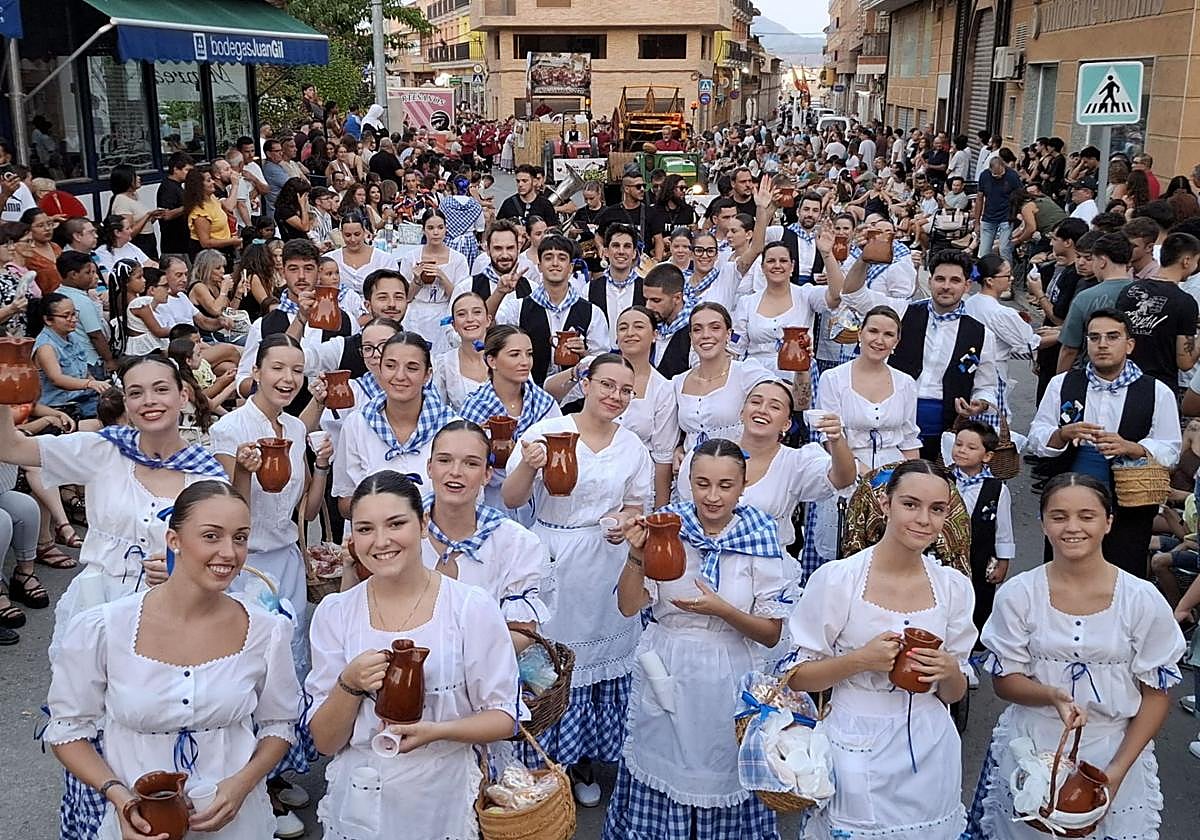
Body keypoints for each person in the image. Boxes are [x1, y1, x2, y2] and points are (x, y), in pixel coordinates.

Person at [44, 481, 301, 840]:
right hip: (140, 824)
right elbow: (69, 728)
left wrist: (243, 784)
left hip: (237, 822)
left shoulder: (266, 629)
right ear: (173, 540)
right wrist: (119, 798)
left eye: (240, 538)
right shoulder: (104, 628)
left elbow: (279, 724)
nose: (229, 552)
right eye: (211, 536)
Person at [966, 473, 1185, 839]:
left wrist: (1114, 775)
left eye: (1087, 516)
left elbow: (1156, 696)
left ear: (1108, 521)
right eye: (1059, 516)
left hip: (1114, 750)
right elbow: (1005, 681)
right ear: (1043, 523)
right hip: (1030, 750)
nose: (1072, 527)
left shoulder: (1141, 599)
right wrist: (1049, 695)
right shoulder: (1019, 594)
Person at [307, 469, 519, 836]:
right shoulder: (336, 612)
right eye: (365, 529)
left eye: (396, 524)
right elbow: (325, 742)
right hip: (360, 794)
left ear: (422, 524)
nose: (381, 541)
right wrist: (349, 684)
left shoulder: (468, 607)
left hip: (444, 794)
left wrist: (438, 731)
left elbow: (505, 717)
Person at [603, 438, 792, 838]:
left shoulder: (759, 534)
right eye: (702, 483)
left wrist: (723, 610)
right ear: (688, 482)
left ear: (743, 486)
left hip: (730, 671)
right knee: (663, 762)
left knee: (722, 766)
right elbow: (628, 606)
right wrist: (636, 555)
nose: (712, 496)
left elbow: (771, 634)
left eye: (725, 485)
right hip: (668, 660)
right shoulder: (666, 526)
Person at [787, 459, 976, 839]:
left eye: (937, 509)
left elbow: (953, 695)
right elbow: (797, 677)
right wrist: (860, 661)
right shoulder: (839, 580)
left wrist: (949, 671)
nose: (923, 519)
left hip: (929, 746)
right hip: (854, 740)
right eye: (910, 504)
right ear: (885, 504)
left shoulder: (953, 587)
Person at [501, 353, 652, 805]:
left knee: (601, 659)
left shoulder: (633, 446)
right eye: (607, 384)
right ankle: (545, 762)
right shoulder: (547, 431)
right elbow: (511, 498)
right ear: (585, 383)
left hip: (605, 560)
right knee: (552, 659)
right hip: (551, 551)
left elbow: (636, 504)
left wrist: (624, 521)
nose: (615, 396)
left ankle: (586, 760)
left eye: (625, 390)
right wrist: (529, 465)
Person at [1028, 308, 1181, 576]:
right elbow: (1036, 436)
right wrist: (1062, 434)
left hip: (1129, 506)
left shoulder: (1157, 392)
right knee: (1064, 571)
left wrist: (1133, 448)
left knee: (1123, 572)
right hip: (1069, 498)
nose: (1102, 344)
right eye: (1094, 337)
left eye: (1112, 337)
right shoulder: (1062, 383)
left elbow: (1171, 449)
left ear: (1129, 345)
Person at [212, 334, 322, 670]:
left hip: (288, 561)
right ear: (257, 372)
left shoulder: (295, 429)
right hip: (245, 566)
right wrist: (244, 472)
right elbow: (230, 517)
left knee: (291, 654)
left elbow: (307, 509)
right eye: (278, 368)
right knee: (248, 658)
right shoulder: (229, 429)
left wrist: (322, 467)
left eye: (297, 371)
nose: (288, 378)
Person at [840, 247, 998, 459]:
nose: (946, 286)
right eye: (940, 279)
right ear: (930, 281)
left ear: (967, 285)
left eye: (955, 280)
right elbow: (852, 295)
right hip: (891, 422)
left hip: (945, 429)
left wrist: (980, 403)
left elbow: (986, 385)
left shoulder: (981, 334)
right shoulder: (902, 312)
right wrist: (864, 258)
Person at [677, 380, 855, 567]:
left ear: (786, 424)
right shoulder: (707, 454)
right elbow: (686, 512)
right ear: (741, 413)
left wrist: (836, 440)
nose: (762, 410)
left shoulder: (796, 462)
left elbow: (843, 479)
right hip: (703, 562)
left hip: (768, 568)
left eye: (774, 407)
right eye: (755, 402)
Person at [422, 421, 549, 643]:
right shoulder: (402, 530)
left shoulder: (516, 543)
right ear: (429, 468)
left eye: (471, 464)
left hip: (485, 663)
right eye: (444, 460)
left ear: (487, 475)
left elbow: (522, 635)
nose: (455, 472)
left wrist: (457, 657)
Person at [332, 331, 454, 513]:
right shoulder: (357, 424)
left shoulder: (451, 427)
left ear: (427, 375)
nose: (400, 376)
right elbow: (345, 500)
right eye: (390, 366)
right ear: (380, 370)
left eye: (412, 368)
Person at [460, 324, 561, 521]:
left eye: (529, 354)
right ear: (492, 361)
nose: (525, 362)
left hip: (537, 502)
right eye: (515, 355)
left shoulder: (544, 403)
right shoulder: (475, 406)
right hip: (489, 504)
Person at [491, 233, 610, 385]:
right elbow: (489, 328)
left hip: (577, 395)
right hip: (529, 392)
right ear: (539, 266)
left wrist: (584, 354)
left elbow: (602, 364)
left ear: (570, 267)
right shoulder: (518, 308)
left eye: (562, 258)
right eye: (548, 258)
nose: (555, 263)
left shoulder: (592, 312)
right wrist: (499, 292)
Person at [941, 420, 1013, 655]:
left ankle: (970, 651)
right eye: (959, 444)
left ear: (987, 456)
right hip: (943, 555)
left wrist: (1003, 561)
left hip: (979, 557)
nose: (962, 450)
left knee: (977, 600)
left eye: (971, 447)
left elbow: (1003, 529)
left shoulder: (997, 489)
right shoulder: (942, 481)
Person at [733, 240, 839, 380]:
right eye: (771, 261)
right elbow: (736, 348)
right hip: (757, 375)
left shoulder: (806, 294)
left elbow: (836, 296)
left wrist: (827, 254)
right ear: (762, 267)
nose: (777, 265)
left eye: (783, 261)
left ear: (792, 266)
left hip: (798, 375)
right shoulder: (747, 302)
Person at [673, 302, 772, 452]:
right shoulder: (678, 382)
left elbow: (794, 400)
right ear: (691, 337)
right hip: (690, 463)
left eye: (715, 328)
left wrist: (801, 371)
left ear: (728, 334)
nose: (706, 335)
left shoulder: (746, 372)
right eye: (698, 329)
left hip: (738, 462)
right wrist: (679, 448)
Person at [1115, 230, 1200, 388]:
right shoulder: (1185, 302)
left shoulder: (1128, 291)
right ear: (1186, 261)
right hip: (1160, 387)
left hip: (1124, 380)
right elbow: (1185, 362)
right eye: (1197, 261)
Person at [967, 254, 1042, 429]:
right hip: (993, 372)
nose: (1011, 279)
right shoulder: (1000, 312)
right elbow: (1029, 344)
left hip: (972, 367)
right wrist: (1062, 335)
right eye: (1007, 275)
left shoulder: (971, 302)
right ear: (990, 281)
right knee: (994, 423)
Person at [1026, 218, 1088, 401]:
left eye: (1054, 238)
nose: (1051, 243)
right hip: (1048, 352)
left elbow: (1059, 319)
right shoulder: (1060, 268)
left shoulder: (1076, 277)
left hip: (1059, 354)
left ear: (1068, 242)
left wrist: (1039, 294)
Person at [1055, 232, 1134, 373]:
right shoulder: (1143, 294)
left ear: (1102, 261)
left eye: (1092, 259)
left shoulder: (1085, 297)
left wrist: (1060, 380)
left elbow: (1069, 349)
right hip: (1134, 373)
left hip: (1093, 372)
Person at [399, 209, 471, 354]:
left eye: (440, 227)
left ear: (446, 229)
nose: (436, 232)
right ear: (424, 230)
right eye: (431, 228)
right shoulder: (411, 257)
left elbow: (461, 298)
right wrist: (417, 281)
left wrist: (442, 277)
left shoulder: (458, 259)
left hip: (444, 311)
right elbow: (405, 297)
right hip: (416, 313)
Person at [431, 291, 491, 411]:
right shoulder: (444, 364)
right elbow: (437, 409)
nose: (470, 319)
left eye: (477, 312)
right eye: (461, 314)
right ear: (454, 325)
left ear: (488, 320)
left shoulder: (507, 356)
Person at [584, 223, 644, 329]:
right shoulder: (588, 289)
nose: (621, 251)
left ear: (634, 253)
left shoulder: (646, 289)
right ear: (606, 252)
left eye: (627, 246)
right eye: (616, 246)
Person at [594, 171, 665, 259]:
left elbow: (658, 240)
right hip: (616, 261)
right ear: (627, 189)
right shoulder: (610, 212)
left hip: (641, 263)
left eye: (644, 186)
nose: (642, 189)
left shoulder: (650, 212)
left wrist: (657, 261)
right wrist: (600, 247)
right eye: (638, 186)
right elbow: (599, 235)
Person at [329, 209, 398, 296]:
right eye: (348, 235)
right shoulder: (331, 259)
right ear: (342, 234)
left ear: (364, 231)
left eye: (357, 234)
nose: (353, 239)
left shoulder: (384, 260)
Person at [184, 167, 241, 262]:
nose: (213, 182)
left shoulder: (212, 198)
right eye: (209, 180)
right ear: (199, 186)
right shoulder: (200, 213)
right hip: (209, 258)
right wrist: (232, 241)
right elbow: (205, 243)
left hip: (224, 252)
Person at [974, 155, 1022, 264]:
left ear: (1003, 167)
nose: (998, 177)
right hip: (989, 216)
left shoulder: (1012, 176)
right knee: (984, 251)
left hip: (1006, 216)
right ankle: (984, 272)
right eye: (995, 175)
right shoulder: (984, 176)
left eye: (1001, 174)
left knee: (1004, 249)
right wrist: (977, 222)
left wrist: (1018, 212)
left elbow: (1020, 195)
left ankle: (1008, 271)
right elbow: (979, 199)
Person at [156, 151, 194, 257]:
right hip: (174, 247)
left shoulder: (178, 186)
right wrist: (188, 206)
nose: (189, 174)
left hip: (183, 244)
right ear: (176, 169)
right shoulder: (168, 188)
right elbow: (165, 215)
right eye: (187, 170)